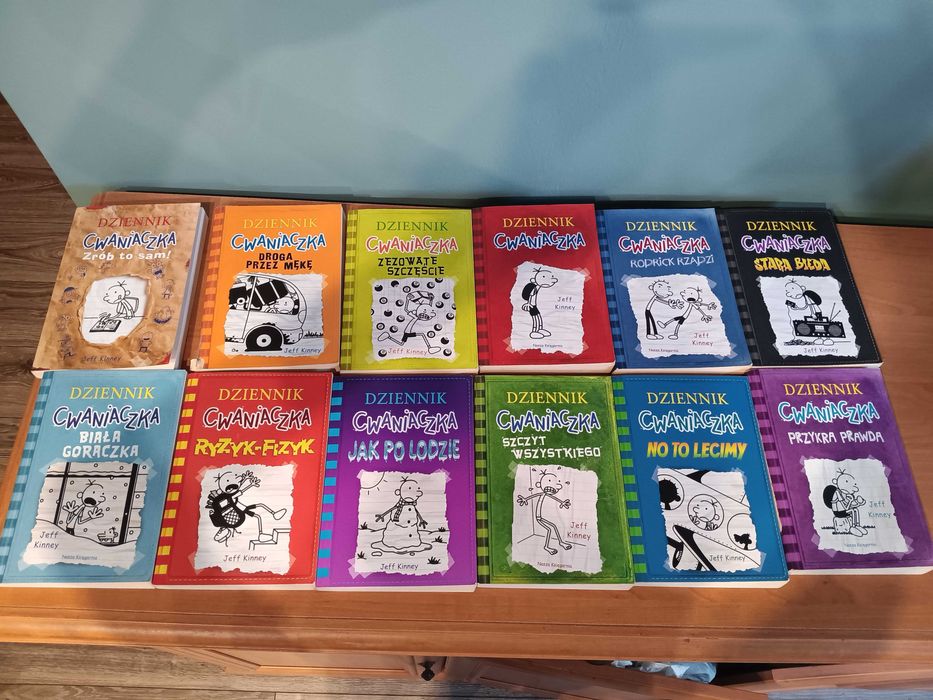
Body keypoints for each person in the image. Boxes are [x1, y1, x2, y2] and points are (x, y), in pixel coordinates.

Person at [516, 471, 572, 555]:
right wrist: (525, 499)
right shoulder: (541, 494)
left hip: (541, 517)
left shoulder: (547, 495)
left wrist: (562, 502)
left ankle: (561, 542)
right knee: (549, 529)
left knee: (554, 526)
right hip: (539, 517)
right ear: (539, 484)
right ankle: (546, 547)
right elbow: (532, 496)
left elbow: (555, 499)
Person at [372, 477, 432, 554]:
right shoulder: (399, 506)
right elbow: (392, 509)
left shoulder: (412, 506)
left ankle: (411, 543)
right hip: (396, 527)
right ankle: (394, 543)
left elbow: (417, 513)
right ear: (398, 492)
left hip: (411, 530)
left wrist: (421, 520)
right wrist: (382, 515)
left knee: (411, 535)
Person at [521, 268, 558, 339]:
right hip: (532, 306)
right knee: (535, 318)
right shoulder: (533, 288)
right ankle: (534, 331)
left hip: (534, 306)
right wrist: (528, 304)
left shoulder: (537, 287)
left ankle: (540, 329)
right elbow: (530, 297)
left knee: (539, 317)